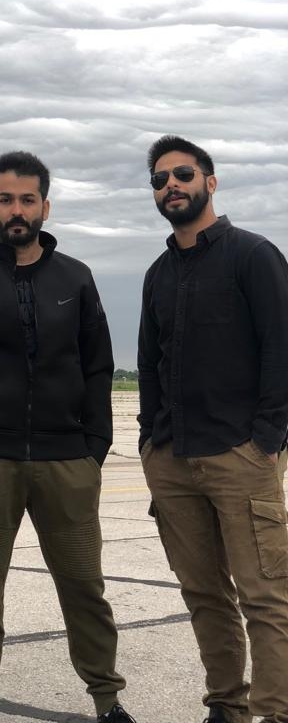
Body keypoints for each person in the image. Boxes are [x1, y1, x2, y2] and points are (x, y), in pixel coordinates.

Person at [0, 151, 134, 723]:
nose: (16, 210)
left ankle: (107, 699)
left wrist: (95, 448)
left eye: (27, 199)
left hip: (67, 461)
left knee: (85, 587)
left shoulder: (76, 278)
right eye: (5, 200)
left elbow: (98, 367)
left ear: (45, 205)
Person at [138, 135, 288, 723]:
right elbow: (149, 365)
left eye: (183, 174)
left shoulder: (254, 256)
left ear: (210, 182)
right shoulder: (157, 274)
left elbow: (281, 349)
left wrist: (267, 439)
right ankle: (227, 707)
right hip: (173, 458)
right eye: (160, 179)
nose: (171, 185)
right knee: (203, 595)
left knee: (265, 595)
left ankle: (275, 712)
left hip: (240, 455)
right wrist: (150, 441)